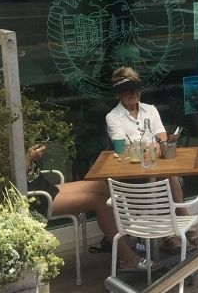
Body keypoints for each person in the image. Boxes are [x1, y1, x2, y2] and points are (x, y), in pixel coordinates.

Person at [27, 144, 158, 273]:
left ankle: (123, 243)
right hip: (38, 198)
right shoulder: (6, 149)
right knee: (99, 201)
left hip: (45, 187)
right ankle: (127, 258)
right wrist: (28, 157)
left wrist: (31, 157)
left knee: (101, 185)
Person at [105, 67, 188, 251]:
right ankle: (176, 228)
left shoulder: (150, 110)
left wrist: (143, 146)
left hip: (155, 166)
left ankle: (171, 231)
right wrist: (151, 146)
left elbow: (163, 139)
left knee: (167, 174)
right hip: (131, 172)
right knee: (167, 176)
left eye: (136, 89)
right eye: (128, 90)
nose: (133, 93)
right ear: (119, 93)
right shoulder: (113, 117)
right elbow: (123, 148)